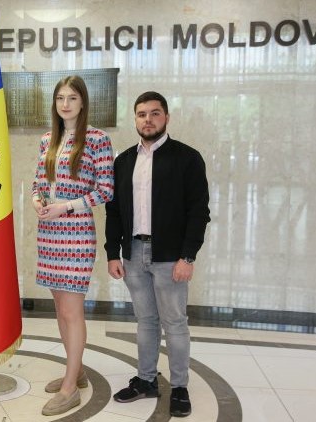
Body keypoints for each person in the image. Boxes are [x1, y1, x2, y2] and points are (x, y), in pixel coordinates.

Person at [104, 91, 210, 418]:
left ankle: (179, 387)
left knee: (174, 322)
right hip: (134, 254)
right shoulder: (123, 161)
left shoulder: (187, 158)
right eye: (141, 114)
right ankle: (146, 380)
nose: (147, 120)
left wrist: (187, 257)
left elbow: (198, 212)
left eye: (154, 113)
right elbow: (114, 212)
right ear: (135, 119)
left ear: (166, 117)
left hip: (170, 257)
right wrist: (112, 252)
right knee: (146, 321)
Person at [31, 75, 114, 416]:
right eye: (60, 98)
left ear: (83, 102)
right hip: (49, 233)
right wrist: (37, 200)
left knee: (71, 311)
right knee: (59, 309)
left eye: (72, 98)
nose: (65, 104)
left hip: (76, 233)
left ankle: (70, 389)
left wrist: (65, 206)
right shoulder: (47, 139)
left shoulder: (97, 139)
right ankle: (75, 371)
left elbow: (106, 190)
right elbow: (38, 182)